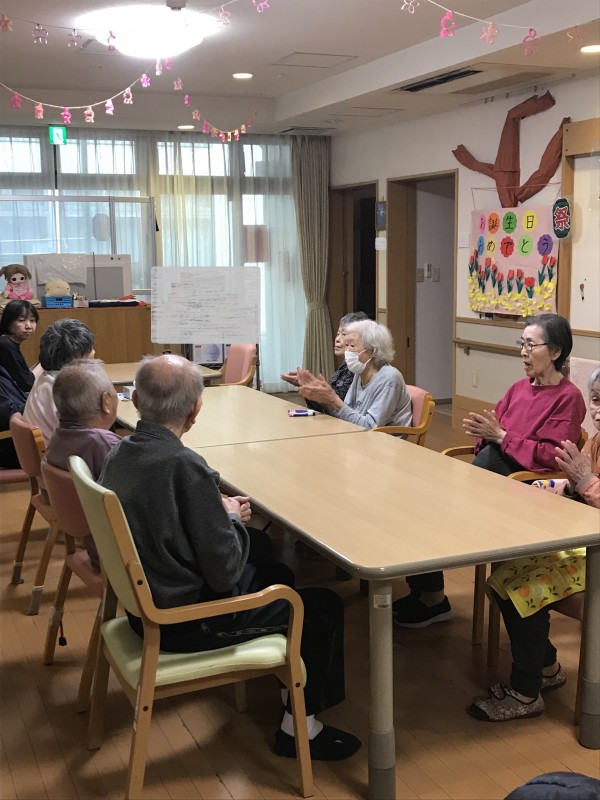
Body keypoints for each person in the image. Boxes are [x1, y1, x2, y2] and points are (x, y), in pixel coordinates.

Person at [99, 354, 361, 761]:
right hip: (186, 620)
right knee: (322, 606)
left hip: (146, 602)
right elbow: (224, 575)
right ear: (196, 408)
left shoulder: (120, 452)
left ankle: (290, 680)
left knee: (273, 567)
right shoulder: (185, 466)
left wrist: (215, 512)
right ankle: (299, 731)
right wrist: (232, 518)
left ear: (135, 401)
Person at [393, 313, 586, 628]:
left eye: (531, 345)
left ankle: (433, 597)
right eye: (521, 344)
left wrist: (501, 438)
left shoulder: (568, 398)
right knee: (419, 508)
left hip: (528, 491)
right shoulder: (518, 388)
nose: (523, 352)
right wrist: (486, 433)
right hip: (493, 481)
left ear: (555, 351)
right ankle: (429, 593)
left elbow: (554, 458)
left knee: (430, 510)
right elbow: (494, 431)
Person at [469, 365, 600, 722]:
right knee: (504, 577)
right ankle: (546, 667)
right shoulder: (596, 439)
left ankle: (526, 694)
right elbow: (576, 485)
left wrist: (585, 482)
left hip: (593, 554)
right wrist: (557, 487)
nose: (597, 410)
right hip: (586, 544)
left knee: (521, 585)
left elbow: (587, 484)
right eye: (595, 400)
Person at [45, 359, 121, 572]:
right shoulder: (104, 445)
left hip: (96, 548)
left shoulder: (58, 437)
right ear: (106, 402)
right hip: (120, 560)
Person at [296, 319, 412, 430]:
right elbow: (347, 414)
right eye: (346, 345)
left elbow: (370, 427)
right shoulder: (359, 373)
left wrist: (334, 399)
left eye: (352, 346)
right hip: (357, 436)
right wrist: (324, 399)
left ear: (372, 351)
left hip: (385, 441)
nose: (347, 351)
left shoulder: (389, 378)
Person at [24, 319, 95, 444]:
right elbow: (91, 435)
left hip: (48, 451)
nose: (94, 353)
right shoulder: (67, 389)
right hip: (63, 454)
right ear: (76, 358)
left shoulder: (45, 378)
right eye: (91, 355)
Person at [280, 311, 370, 410]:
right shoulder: (344, 368)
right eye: (338, 333)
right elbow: (326, 408)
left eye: (344, 334)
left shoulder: (360, 370)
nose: (337, 339)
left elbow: (338, 409)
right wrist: (306, 386)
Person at [0, 299, 39, 392]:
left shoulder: (7, 342)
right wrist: (43, 365)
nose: (28, 326)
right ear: (8, 321)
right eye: (21, 320)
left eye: (32, 320)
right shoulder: (5, 345)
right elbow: (27, 384)